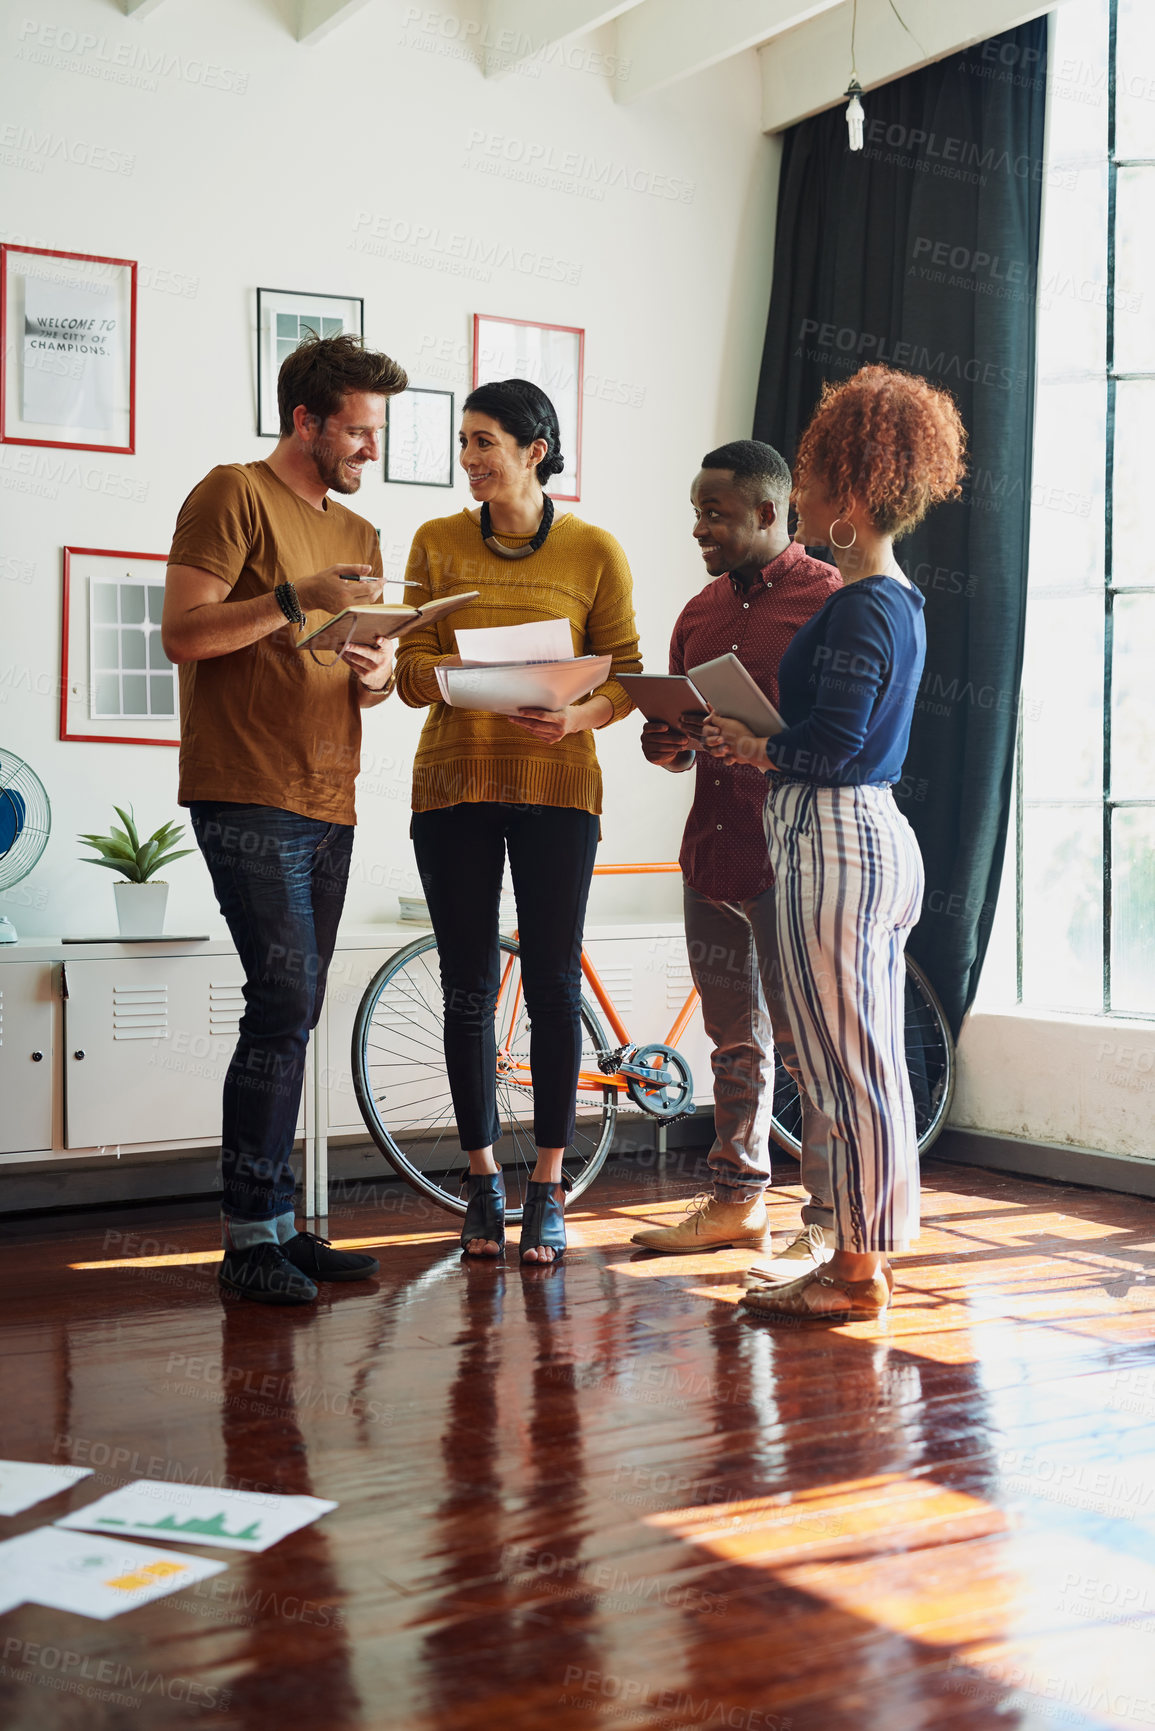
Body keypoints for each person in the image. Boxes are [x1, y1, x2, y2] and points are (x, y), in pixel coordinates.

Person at [700, 365, 966, 1321]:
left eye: (810, 482)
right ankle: (864, 1259)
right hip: (860, 838)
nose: (801, 497)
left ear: (848, 498)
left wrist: (753, 740)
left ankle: (857, 1273)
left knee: (842, 1066)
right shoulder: (894, 597)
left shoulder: (860, 604)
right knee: (863, 1061)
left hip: (834, 840)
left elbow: (832, 745)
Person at [162, 333, 408, 1305]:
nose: (369, 450)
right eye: (357, 430)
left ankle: (278, 1225)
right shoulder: (231, 494)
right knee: (280, 1001)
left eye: (375, 432)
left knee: (296, 1008)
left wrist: (381, 672)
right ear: (304, 421)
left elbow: (370, 681)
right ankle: (246, 1240)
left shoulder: (362, 538)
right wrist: (290, 599)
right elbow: (184, 634)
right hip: (244, 785)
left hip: (329, 794)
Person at [395, 378, 641, 1264]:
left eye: (484, 441)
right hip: (454, 782)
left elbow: (624, 675)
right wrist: (462, 680)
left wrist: (576, 714)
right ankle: (479, 1182)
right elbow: (408, 665)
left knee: (551, 988)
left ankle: (546, 1184)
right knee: (468, 988)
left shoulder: (593, 550)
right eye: (463, 442)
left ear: (535, 448)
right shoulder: (435, 542)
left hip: (559, 786)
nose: (468, 459)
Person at [629, 441, 842, 1270]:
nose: (698, 529)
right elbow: (684, 746)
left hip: (789, 861)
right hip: (709, 858)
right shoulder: (697, 611)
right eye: (695, 512)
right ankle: (734, 1203)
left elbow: (839, 738)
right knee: (731, 1044)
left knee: (805, 1048)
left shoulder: (829, 601)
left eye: (713, 514)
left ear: (766, 512)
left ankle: (826, 1217)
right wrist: (666, 742)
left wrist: (761, 739)